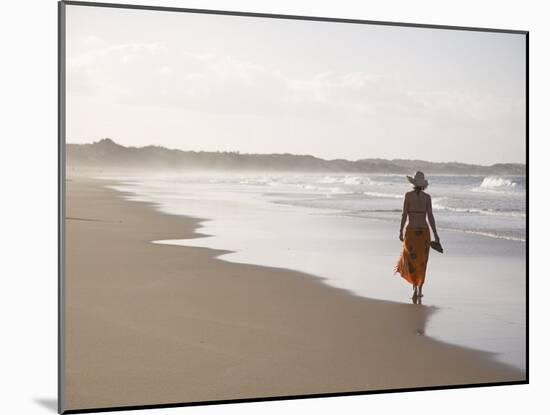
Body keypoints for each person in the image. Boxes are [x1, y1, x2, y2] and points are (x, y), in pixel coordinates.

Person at [395, 171, 440, 299]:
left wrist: (400, 230)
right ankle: (419, 289)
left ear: (413, 184)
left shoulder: (408, 196)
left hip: (411, 232)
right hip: (424, 233)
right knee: (422, 262)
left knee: (411, 260)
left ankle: (414, 287)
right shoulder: (427, 197)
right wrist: (436, 234)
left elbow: (404, 214)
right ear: (424, 185)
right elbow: (430, 216)